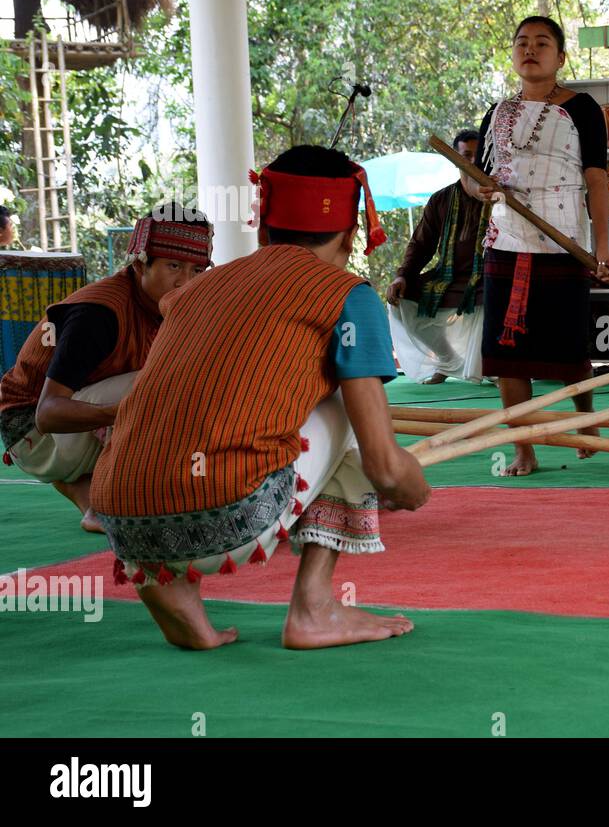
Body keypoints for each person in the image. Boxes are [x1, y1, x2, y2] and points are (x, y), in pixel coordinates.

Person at [89, 145, 430, 650]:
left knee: (177, 419)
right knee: (346, 412)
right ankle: (314, 609)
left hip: (121, 520)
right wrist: (410, 487)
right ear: (353, 232)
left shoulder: (195, 291)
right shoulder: (347, 295)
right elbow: (382, 467)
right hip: (227, 517)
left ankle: (173, 593)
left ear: (264, 227)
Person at [468, 15, 609, 476]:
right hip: (507, 239)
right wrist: (484, 190)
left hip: (564, 238)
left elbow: (596, 177)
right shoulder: (496, 112)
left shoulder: (584, 108)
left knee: (569, 345)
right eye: (521, 43)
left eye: (541, 43)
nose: (529, 50)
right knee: (505, 350)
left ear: (560, 56)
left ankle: (585, 420)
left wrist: (603, 244)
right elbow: (474, 180)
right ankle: (523, 448)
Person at [0, 204, 212, 531]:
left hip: (70, 434)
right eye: (173, 266)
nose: (185, 282)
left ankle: (97, 504)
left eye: (198, 271)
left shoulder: (171, 306)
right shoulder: (99, 314)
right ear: (140, 264)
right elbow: (48, 413)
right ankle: (119, 494)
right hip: (31, 431)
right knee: (164, 383)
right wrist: (126, 412)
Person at [386, 129, 488, 384]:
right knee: (402, 299)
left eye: (478, 155)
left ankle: (491, 370)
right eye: (466, 155)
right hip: (448, 278)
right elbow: (421, 244)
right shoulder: (441, 199)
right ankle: (449, 361)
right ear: (455, 159)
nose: (472, 161)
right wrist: (402, 276)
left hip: (488, 278)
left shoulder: (497, 196)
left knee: (495, 296)